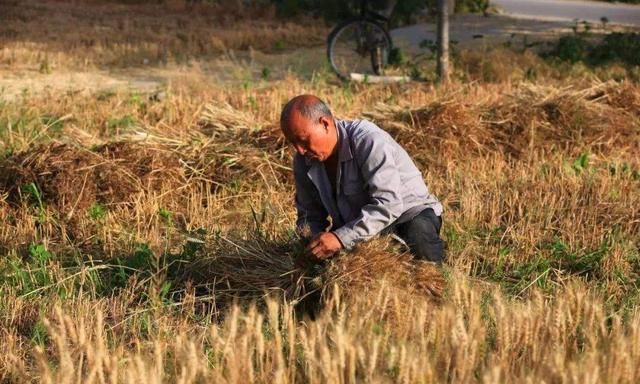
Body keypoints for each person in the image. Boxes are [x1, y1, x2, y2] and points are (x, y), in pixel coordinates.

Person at [280, 94, 444, 264]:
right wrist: (314, 244)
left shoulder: (368, 140)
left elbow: (389, 205)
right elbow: (309, 215)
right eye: (293, 143)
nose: (299, 150)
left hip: (406, 214)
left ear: (325, 124)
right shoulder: (303, 160)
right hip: (358, 227)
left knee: (418, 235)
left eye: (303, 140)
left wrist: (340, 238)